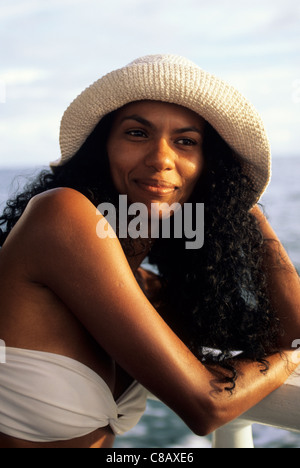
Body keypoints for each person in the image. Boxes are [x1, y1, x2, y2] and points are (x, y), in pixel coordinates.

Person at [0, 54, 299, 449]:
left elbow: (290, 329)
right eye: (137, 134)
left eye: (186, 142)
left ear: (207, 166)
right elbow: (205, 405)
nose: (161, 159)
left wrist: (240, 205)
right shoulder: (60, 213)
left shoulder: (147, 289)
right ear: (101, 148)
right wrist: (293, 358)